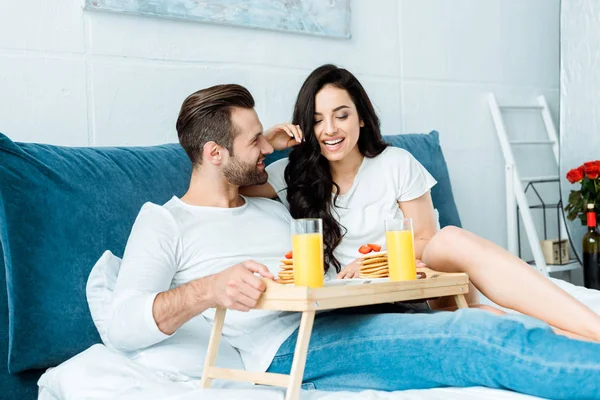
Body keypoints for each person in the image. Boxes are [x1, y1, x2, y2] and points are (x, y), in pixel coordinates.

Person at [105, 83, 600, 399]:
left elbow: (262, 184)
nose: (269, 147)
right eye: (256, 140)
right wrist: (208, 290)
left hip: (347, 311)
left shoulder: (266, 203)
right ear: (214, 153)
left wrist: (343, 278)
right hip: (290, 345)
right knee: (479, 339)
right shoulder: (166, 221)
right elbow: (122, 324)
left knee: (488, 322)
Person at [240, 64, 600, 342]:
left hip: (419, 284)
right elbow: (229, 189)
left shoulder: (395, 163)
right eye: (317, 120)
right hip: (358, 306)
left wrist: (376, 263)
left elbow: (428, 243)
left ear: (361, 117)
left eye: (341, 115)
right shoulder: (291, 175)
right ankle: (576, 336)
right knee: (492, 323)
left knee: (452, 241)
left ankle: (589, 331)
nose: (330, 129)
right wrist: (269, 144)